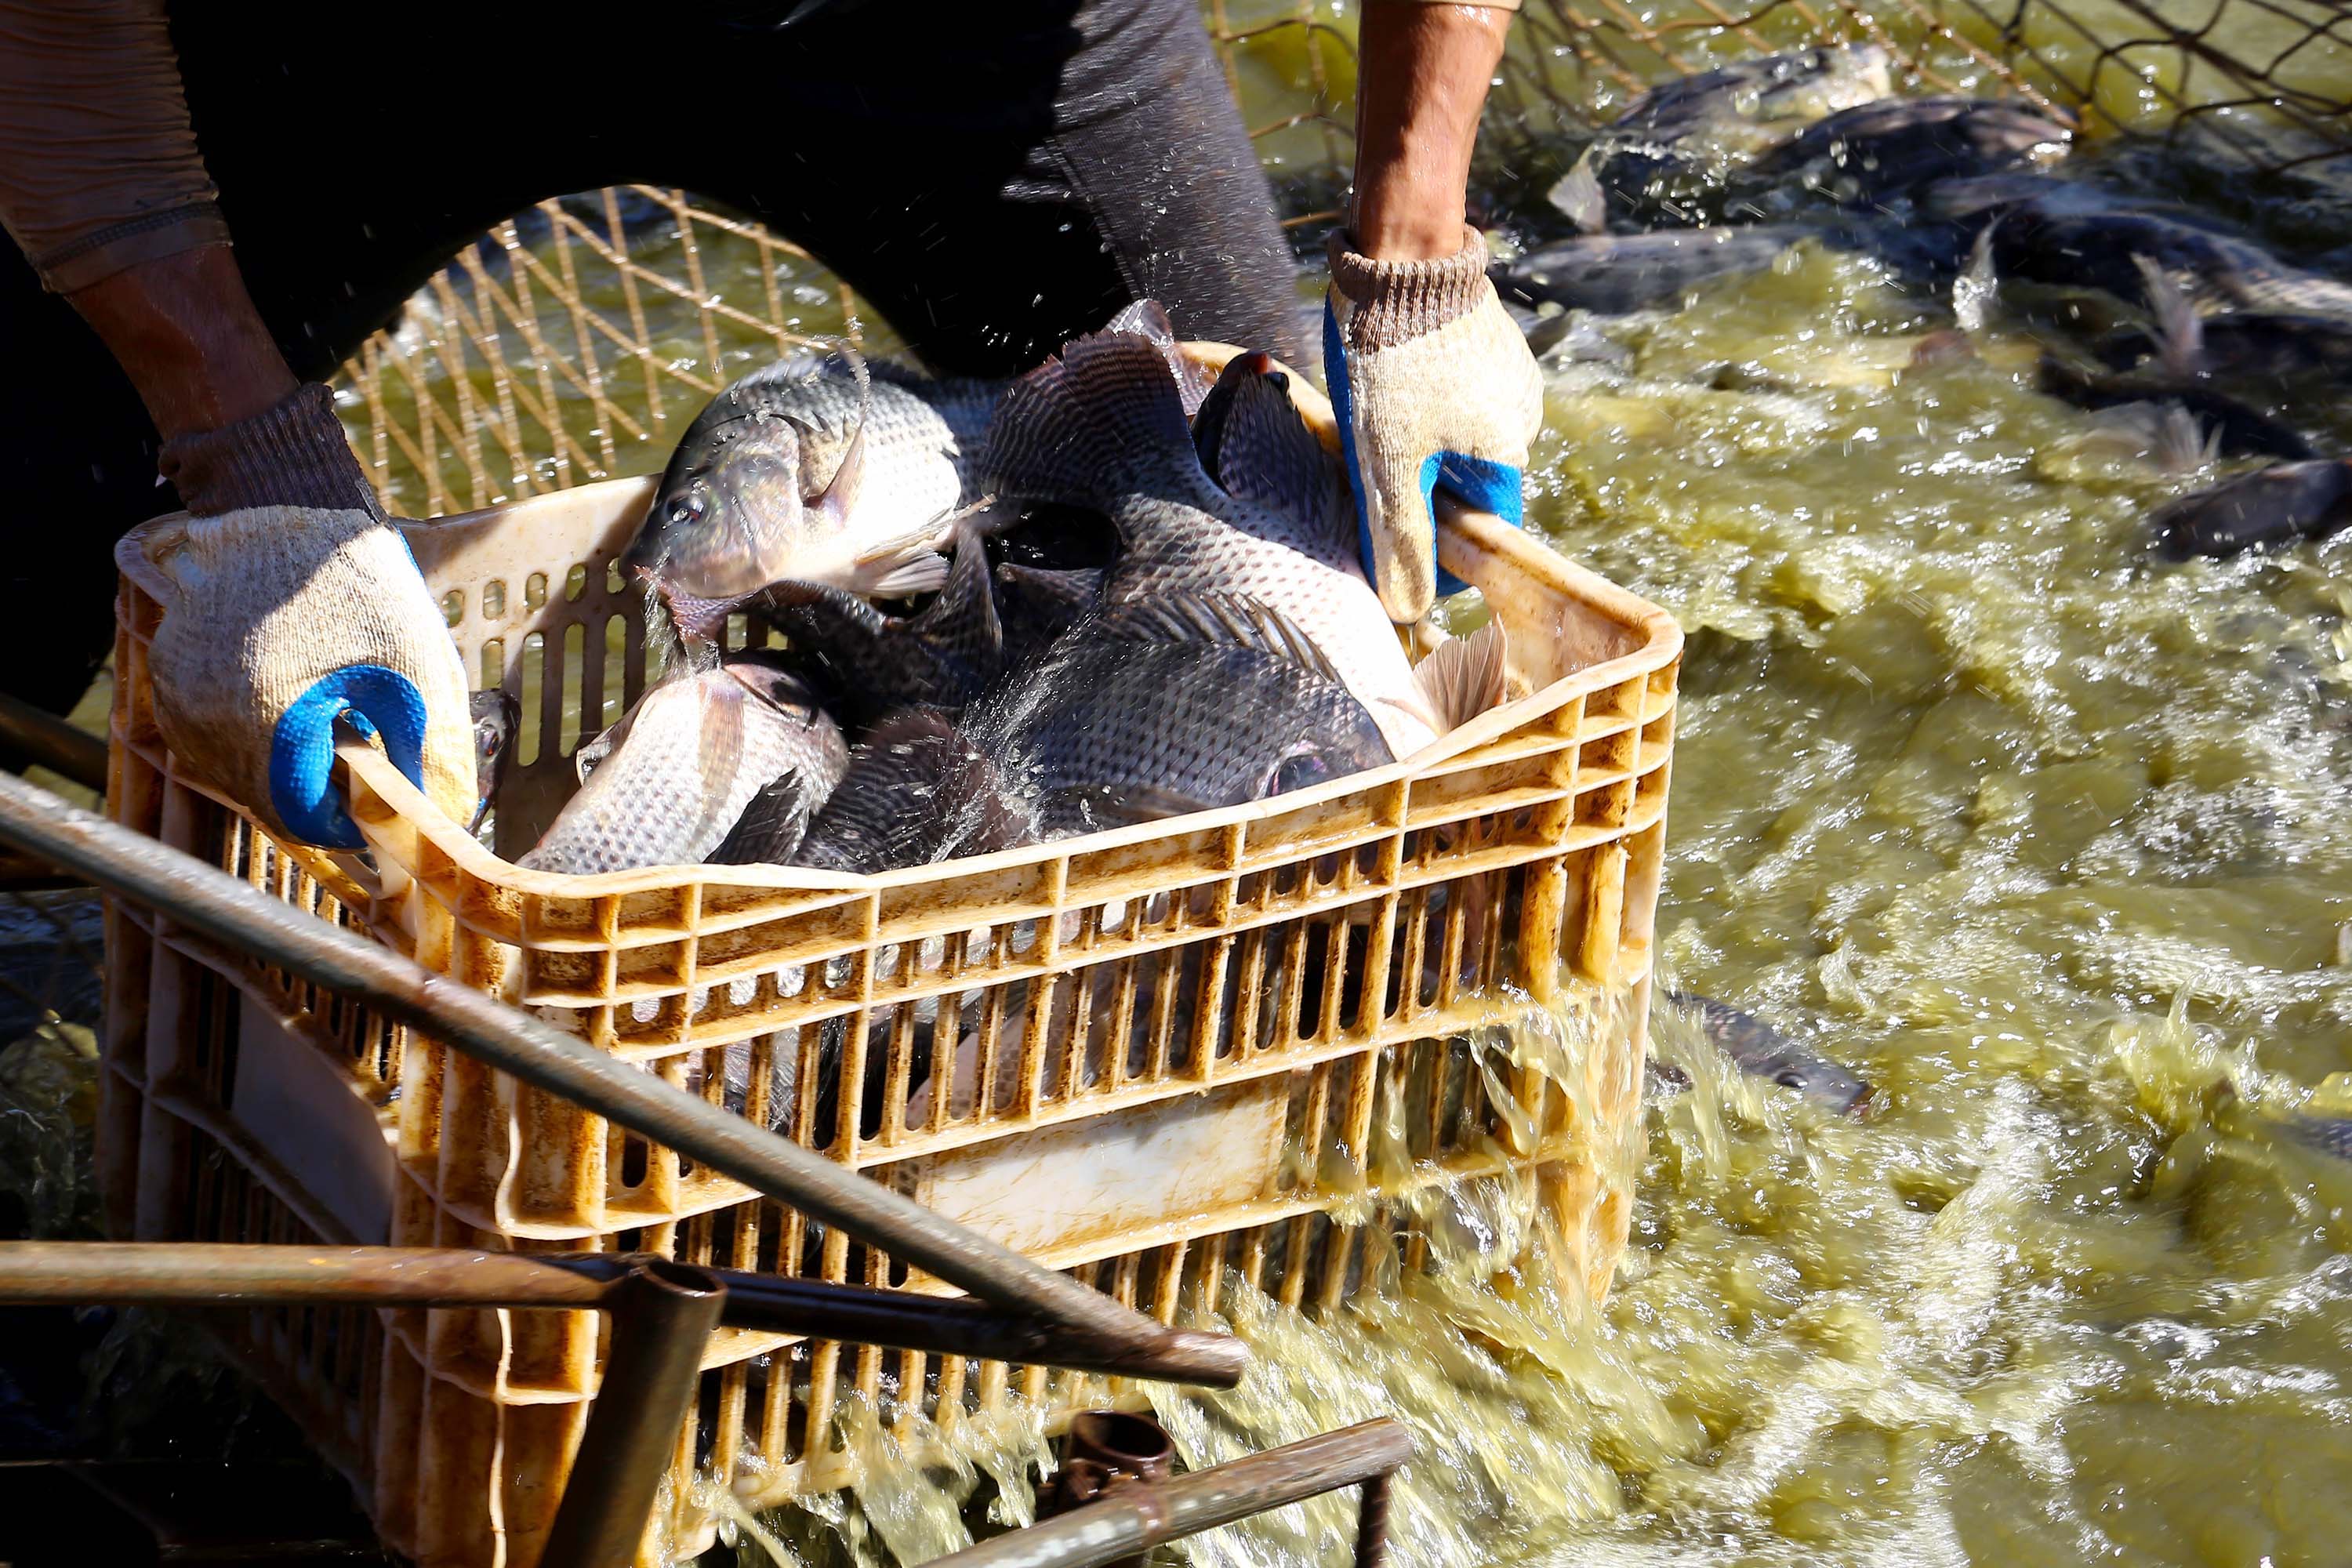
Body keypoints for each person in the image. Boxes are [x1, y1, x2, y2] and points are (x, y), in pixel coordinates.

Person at [0, 0, 1538, 845]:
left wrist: (1415, 256)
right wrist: (250, 461)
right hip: (351, 46)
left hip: (961, 35)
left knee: (1265, 523)